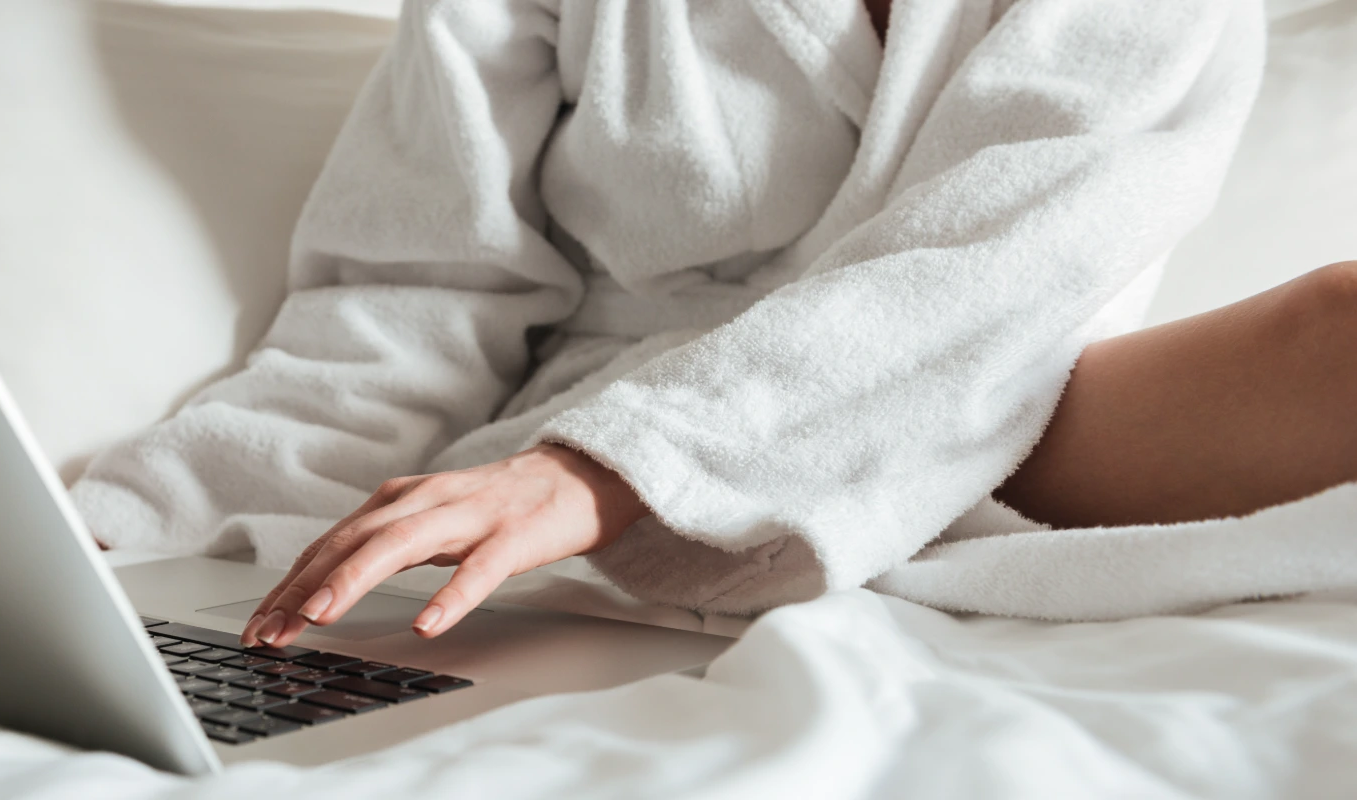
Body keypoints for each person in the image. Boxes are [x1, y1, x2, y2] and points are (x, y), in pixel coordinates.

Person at [71, 0, 1340, 648]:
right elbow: (418, 287)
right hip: (564, 451)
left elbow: (1007, 260)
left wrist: (622, 464)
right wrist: (137, 516)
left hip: (984, 385)